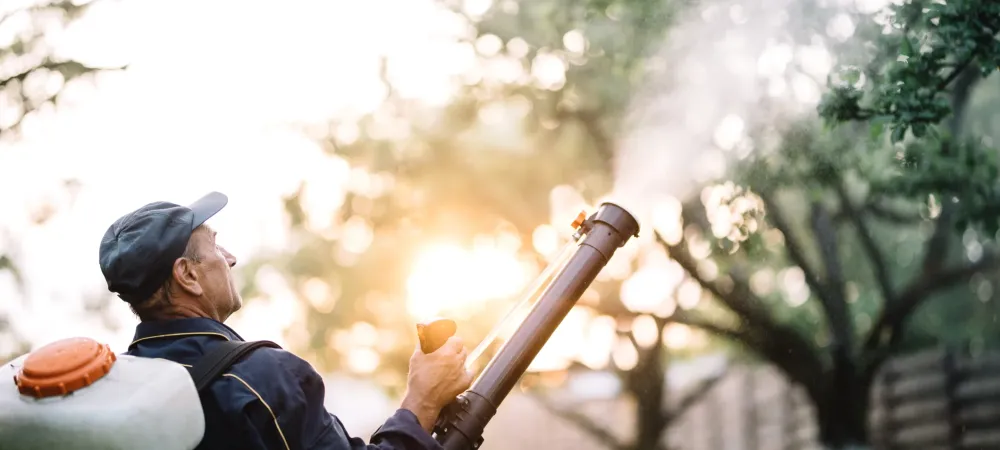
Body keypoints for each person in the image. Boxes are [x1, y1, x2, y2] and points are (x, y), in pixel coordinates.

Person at [98, 191, 473, 450]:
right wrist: (422, 400)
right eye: (214, 245)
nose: (229, 258)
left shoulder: (116, 390)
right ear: (188, 276)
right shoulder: (261, 380)